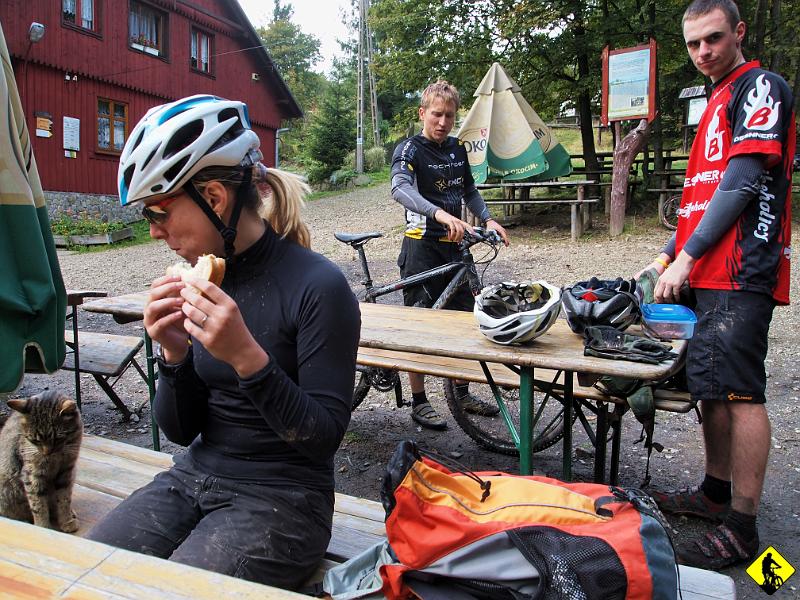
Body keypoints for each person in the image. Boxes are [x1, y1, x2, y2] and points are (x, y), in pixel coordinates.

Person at [87, 95, 361, 590]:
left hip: (286, 497)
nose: (153, 232)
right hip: (193, 476)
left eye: (159, 212)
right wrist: (173, 354)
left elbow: (323, 439)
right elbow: (180, 430)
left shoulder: (319, 285)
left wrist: (246, 358)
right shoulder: (204, 279)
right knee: (90, 574)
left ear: (214, 198)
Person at [639, 0, 794, 571]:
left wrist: (691, 256)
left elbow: (744, 178)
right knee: (709, 386)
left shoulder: (761, 87)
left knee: (742, 391)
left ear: (739, 32)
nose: (703, 51)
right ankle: (713, 490)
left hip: (740, 268)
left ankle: (744, 529)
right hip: (701, 269)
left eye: (713, 38)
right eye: (693, 43)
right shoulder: (714, 101)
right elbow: (703, 189)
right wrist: (669, 252)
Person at [390, 80, 510, 430]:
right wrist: (439, 215)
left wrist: (487, 218)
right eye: (437, 114)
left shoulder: (457, 149)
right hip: (420, 246)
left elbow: (468, 189)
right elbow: (399, 189)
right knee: (419, 325)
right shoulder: (409, 150)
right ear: (423, 113)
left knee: (464, 320)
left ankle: (461, 393)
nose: (443, 122)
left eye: (449, 116)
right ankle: (419, 400)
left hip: (456, 248)